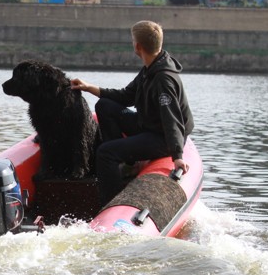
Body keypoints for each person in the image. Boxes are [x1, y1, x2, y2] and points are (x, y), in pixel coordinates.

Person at [70, 20, 194, 205]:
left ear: (137, 46)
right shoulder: (150, 68)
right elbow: (125, 96)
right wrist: (89, 87)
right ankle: (123, 164)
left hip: (162, 138)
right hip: (149, 125)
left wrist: (177, 156)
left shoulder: (163, 79)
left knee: (105, 153)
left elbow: (172, 119)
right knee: (104, 105)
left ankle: (111, 203)